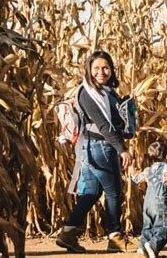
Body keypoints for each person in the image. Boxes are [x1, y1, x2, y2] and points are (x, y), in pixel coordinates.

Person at [56, 50, 133, 253]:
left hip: (90, 149)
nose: (101, 72)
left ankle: (67, 234)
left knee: (90, 193)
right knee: (114, 193)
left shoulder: (106, 92)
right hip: (101, 148)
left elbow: (115, 121)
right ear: (89, 70)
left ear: (112, 69)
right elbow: (103, 126)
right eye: (96, 68)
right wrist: (122, 150)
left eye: (105, 67)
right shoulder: (88, 93)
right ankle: (115, 237)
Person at [129, 141, 167, 258]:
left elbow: (137, 179)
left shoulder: (147, 171)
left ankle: (142, 247)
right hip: (160, 202)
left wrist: (132, 169)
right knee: (163, 227)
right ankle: (153, 246)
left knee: (148, 226)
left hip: (147, 204)